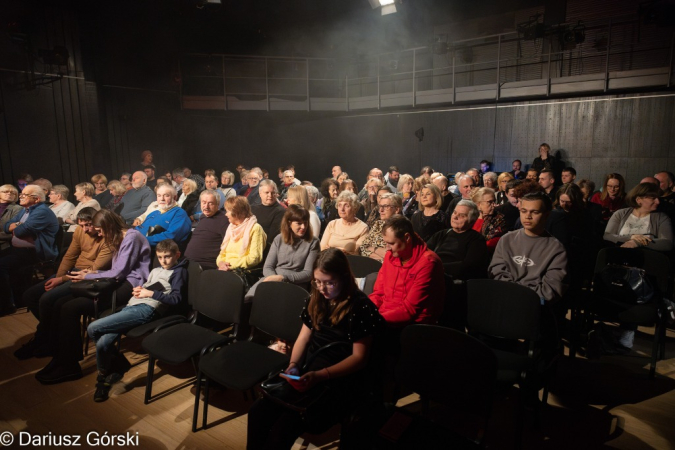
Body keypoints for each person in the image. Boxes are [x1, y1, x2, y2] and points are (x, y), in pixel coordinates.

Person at [247, 248, 384, 450]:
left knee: (283, 428)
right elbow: (304, 337)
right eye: (317, 282)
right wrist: (293, 365)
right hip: (310, 369)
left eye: (329, 282)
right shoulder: (317, 298)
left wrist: (320, 375)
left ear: (344, 278)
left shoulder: (360, 307)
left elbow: (359, 358)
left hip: (337, 379)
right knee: (258, 412)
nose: (322, 288)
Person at [35, 209, 151, 384]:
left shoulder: (131, 237)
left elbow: (119, 272)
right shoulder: (120, 236)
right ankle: (62, 357)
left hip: (130, 285)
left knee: (69, 308)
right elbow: (115, 270)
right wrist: (93, 272)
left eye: (101, 230)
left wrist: (87, 275)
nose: (101, 234)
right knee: (60, 303)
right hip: (117, 281)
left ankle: (69, 365)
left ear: (109, 226)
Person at [87, 239, 187, 402]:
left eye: (167, 257)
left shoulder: (178, 272)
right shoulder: (155, 270)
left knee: (93, 328)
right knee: (102, 343)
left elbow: (176, 299)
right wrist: (140, 290)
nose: (164, 261)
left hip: (146, 310)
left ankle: (106, 374)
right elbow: (148, 287)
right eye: (160, 257)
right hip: (132, 306)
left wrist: (150, 294)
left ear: (177, 255)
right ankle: (107, 378)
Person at [15, 207, 113, 360]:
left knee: (47, 300)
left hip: (87, 277)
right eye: (81, 225)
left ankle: (45, 339)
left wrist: (61, 280)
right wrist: (58, 278)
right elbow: (70, 256)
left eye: (89, 225)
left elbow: (94, 269)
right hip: (72, 273)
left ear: (97, 222)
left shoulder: (106, 237)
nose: (85, 229)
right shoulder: (81, 232)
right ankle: (52, 335)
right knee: (30, 296)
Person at [489, 191, 568, 304]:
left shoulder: (556, 249)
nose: (528, 216)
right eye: (524, 211)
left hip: (534, 305)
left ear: (546, 215)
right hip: (504, 299)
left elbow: (551, 289)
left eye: (534, 212)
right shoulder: (506, 240)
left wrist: (521, 295)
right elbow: (496, 272)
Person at [369, 215, 445, 326]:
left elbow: (410, 310)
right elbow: (378, 293)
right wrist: (366, 310)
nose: (387, 248)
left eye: (391, 243)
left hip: (413, 325)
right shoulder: (390, 256)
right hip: (384, 317)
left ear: (407, 238)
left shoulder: (428, 262)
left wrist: (375, 319)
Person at [0, 185, 59, 315]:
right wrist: (18, 225)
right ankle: (17, 300)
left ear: (36, 199)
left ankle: (7, 305)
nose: (20, 196)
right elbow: (6, 227)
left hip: (36, 253)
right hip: (19, 251)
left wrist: (17, 226)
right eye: (21, 194)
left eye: (24, 195)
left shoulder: (41, 211)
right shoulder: (26, 210)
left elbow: (21, 231)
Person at [247, 205, 320, 301]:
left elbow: (307, 274)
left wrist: (283, 278)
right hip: (272, 279)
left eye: (305, 223)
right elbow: (268, 267)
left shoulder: (313, 242)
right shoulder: (279, 239)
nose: (303, 227)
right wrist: (274, 279)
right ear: (289, 223)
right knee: (248, 300)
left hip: (296, 283)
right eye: (299, 223)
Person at [603, 182, 673, 251]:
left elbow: (667, 243)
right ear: (638, 200)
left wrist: (638, 242)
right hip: (620, 254)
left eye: (658, 198)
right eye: (653, 198)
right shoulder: (620, 214)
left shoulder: (661, 218)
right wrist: (631, 237)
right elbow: (608, 236)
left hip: (648, 257)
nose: (658, 202)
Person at [216, 196, 267, 272]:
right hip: (225, 270)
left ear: (237, 212)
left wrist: (230, 265)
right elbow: (222, 254)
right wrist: (220, 263)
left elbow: (254, 258)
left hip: (242, 272)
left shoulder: (255, 228)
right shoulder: (231, 227)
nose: (225, 214)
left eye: (228, 211)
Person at [183, 190, 230, 270]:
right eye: (204, 202)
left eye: (210, 203)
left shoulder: (224, 220)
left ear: (218, 204)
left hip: (205, 267)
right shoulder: (203, 217)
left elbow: (229, 246)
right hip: (188, 263)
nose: (206, 207)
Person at [135, 184, 192, 249]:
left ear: (175, 197)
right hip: (140, 246)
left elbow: (171, 236)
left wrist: (142, 240)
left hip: (159, 252)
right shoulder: (154, 213)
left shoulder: (179, 214)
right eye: (159, 196)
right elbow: (139, 229)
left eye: (166, 196)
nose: (162, 199)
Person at [360, 193, 402, 261]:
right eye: (380, 206)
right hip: (370, 263)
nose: (381, 210)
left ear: (396, 209)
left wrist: (372, 249)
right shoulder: (378, 224)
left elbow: (393, 256)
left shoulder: (401, 228)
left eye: (386, 206)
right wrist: (377, 253)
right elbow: (363, 247)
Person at [0, 184, 23, 252]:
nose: (9, 194)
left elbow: (14, 230)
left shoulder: (18, 209)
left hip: (6, 245)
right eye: (5, 192)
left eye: (13, 193)